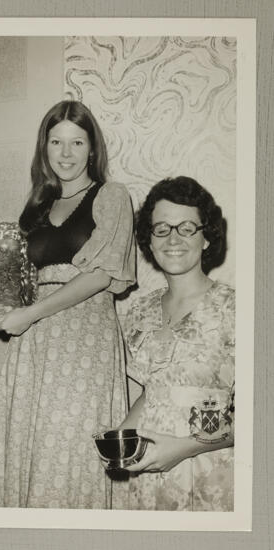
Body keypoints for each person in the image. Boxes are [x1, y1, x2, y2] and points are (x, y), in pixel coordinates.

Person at [0, 100, 136, 509]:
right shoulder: (35, 207)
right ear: (45, 148)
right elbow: (16, 280)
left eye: (76, 142)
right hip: (34, 343)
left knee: (72, 443)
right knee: (31, 440)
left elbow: (103, 275)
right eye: (56, 141)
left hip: (83, 339)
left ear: (92, 149)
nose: (66, 153)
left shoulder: (111, 196)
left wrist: (30, 314)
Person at [118, 176, 234, 511]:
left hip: (211, 471)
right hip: (148, 474)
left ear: (206, 238)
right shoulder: (139, 310)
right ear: (150, 241)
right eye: (162, 229)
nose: (173, 238)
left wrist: (185, 447)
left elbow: (259, 417)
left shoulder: (237, 308)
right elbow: (152, 392)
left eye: (186, 228)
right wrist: (122, 434)